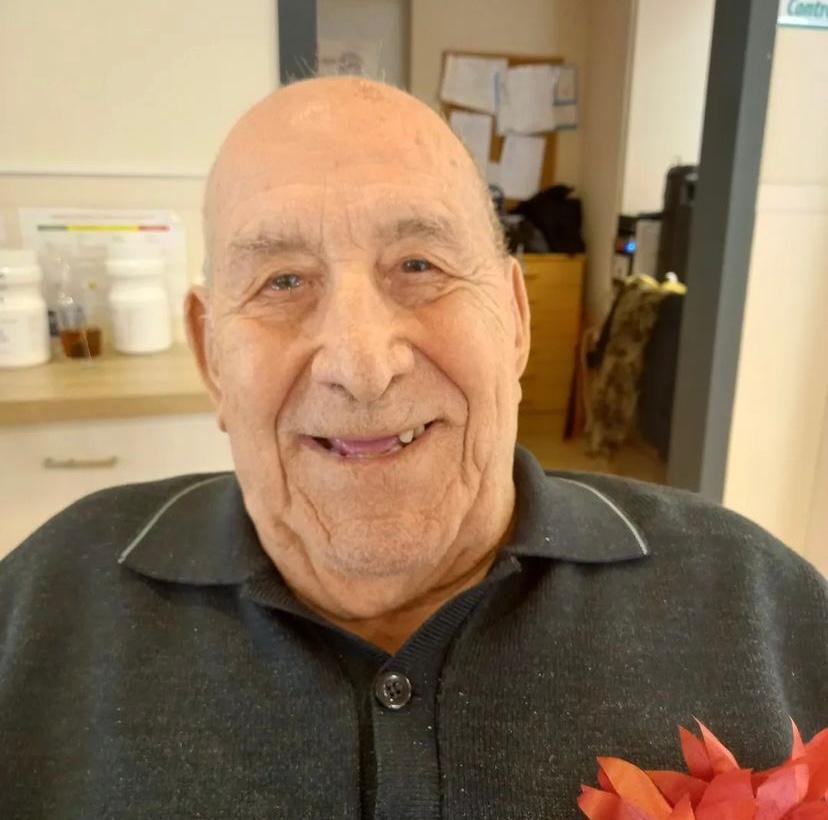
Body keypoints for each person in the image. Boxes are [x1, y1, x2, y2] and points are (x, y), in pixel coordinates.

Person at [1, 77, 825, 820]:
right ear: (210, 353)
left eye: (420, 265)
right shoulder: (37, 612)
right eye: (282, 281)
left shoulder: (760, 604)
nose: (362, 366)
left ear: (515, 321)